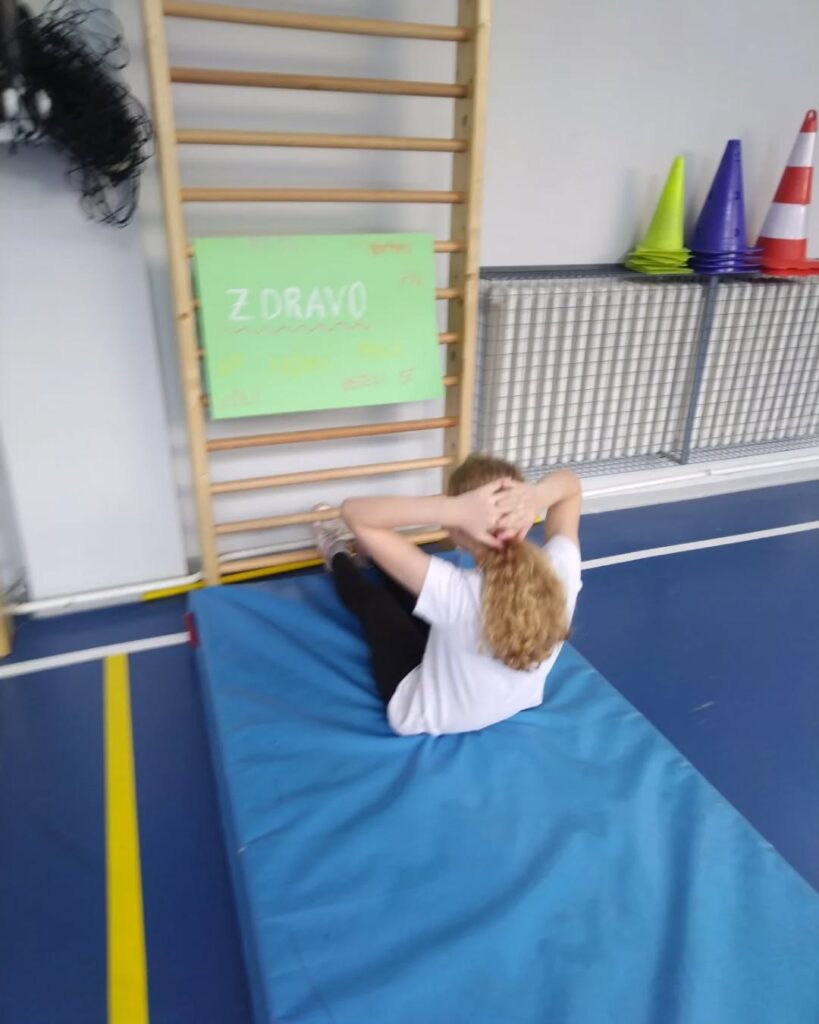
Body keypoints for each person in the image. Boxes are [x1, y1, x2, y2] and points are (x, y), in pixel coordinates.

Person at [312, 454, 582, 736]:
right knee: (413, 589)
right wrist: (536, 496)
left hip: (431, 713)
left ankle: (336, 551)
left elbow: (354, 513)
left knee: (377, 605)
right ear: (525, 521)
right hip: (514, 701)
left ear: (455, 529)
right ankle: (372, 551)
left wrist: (451, 508)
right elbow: (570, 487)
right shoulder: (560, 570)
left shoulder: (455, 591)